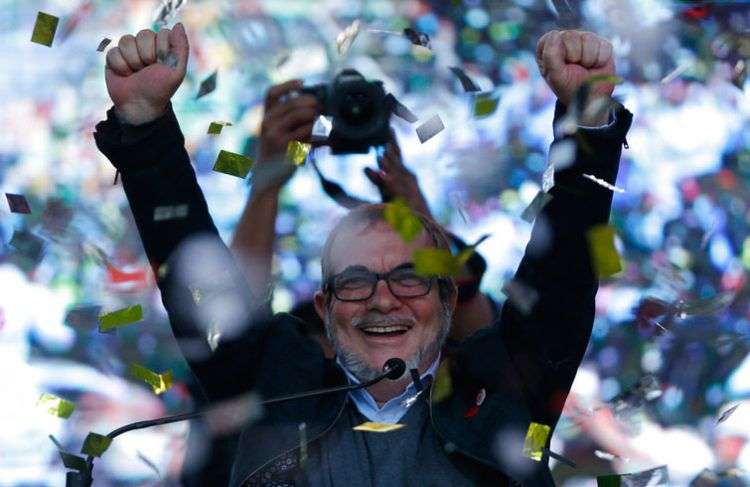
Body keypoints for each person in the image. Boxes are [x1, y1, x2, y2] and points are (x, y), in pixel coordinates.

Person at [95, 23, 632, 486]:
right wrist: (146, 130)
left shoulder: (499, 397)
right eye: (355, 281)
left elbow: (563, 279)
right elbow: (203, 290)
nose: (382, 300)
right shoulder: (274, 391)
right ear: (325, 309)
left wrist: (587, 121)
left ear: (447, 299)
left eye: (409, 278)